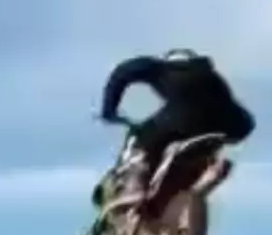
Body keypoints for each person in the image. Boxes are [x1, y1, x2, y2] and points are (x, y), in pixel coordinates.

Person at [98, 48, 255, 206]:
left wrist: (108, 110)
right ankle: (207, 177)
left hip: (182, 119)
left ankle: (136, 181)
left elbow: (123, 72)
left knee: (138, 136)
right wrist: (234, 133)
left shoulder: (160, 68)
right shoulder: (213, 77)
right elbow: (245, 120)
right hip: (226, 123)